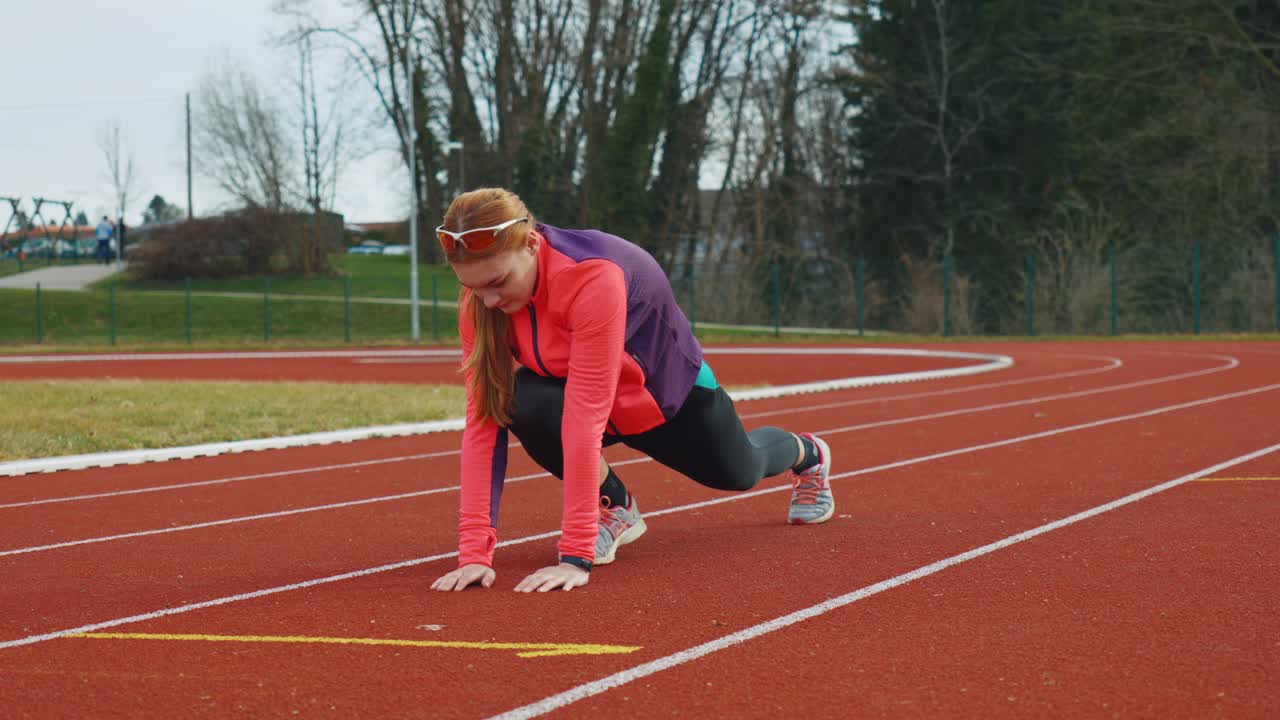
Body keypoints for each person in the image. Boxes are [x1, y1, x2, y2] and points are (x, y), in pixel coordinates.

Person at [429, 188, 835, 594]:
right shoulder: (481, 302)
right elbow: (484, 420)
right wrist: (474, 556)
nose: (489, 300)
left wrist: (575, 557)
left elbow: (584, 418)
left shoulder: (593, 276)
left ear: (531, 245)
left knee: (739, 472)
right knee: (519, 401)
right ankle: (615, 507)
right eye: (474, 288)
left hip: (667, 399)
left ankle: (807, 452)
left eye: (498, 282)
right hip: (579, 395)